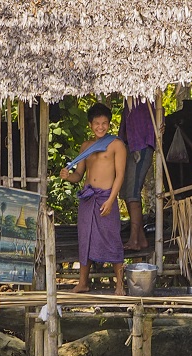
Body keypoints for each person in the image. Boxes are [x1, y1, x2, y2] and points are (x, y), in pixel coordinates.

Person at [60, 103, 128, 295]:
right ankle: (83, 282)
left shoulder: (116, 144)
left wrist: (111, 200)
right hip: (88, 198)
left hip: (106, 198)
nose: (101, 127)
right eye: (97, 123)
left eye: (104, 123)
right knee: (85, 238)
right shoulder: (86, 147)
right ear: (90, 124)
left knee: (112, 238)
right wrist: (67, 176)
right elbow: (78, 175)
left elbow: (120, 176)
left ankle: (119, 285)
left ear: (109, 124)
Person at [119, 98, 156, 251]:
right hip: (129, 147)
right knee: (128, 193)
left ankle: (134, 239)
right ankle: (140, 238)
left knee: (133, 193)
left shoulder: (147, 96)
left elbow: (158, 117)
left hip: (141, 147)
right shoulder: (129, 97)